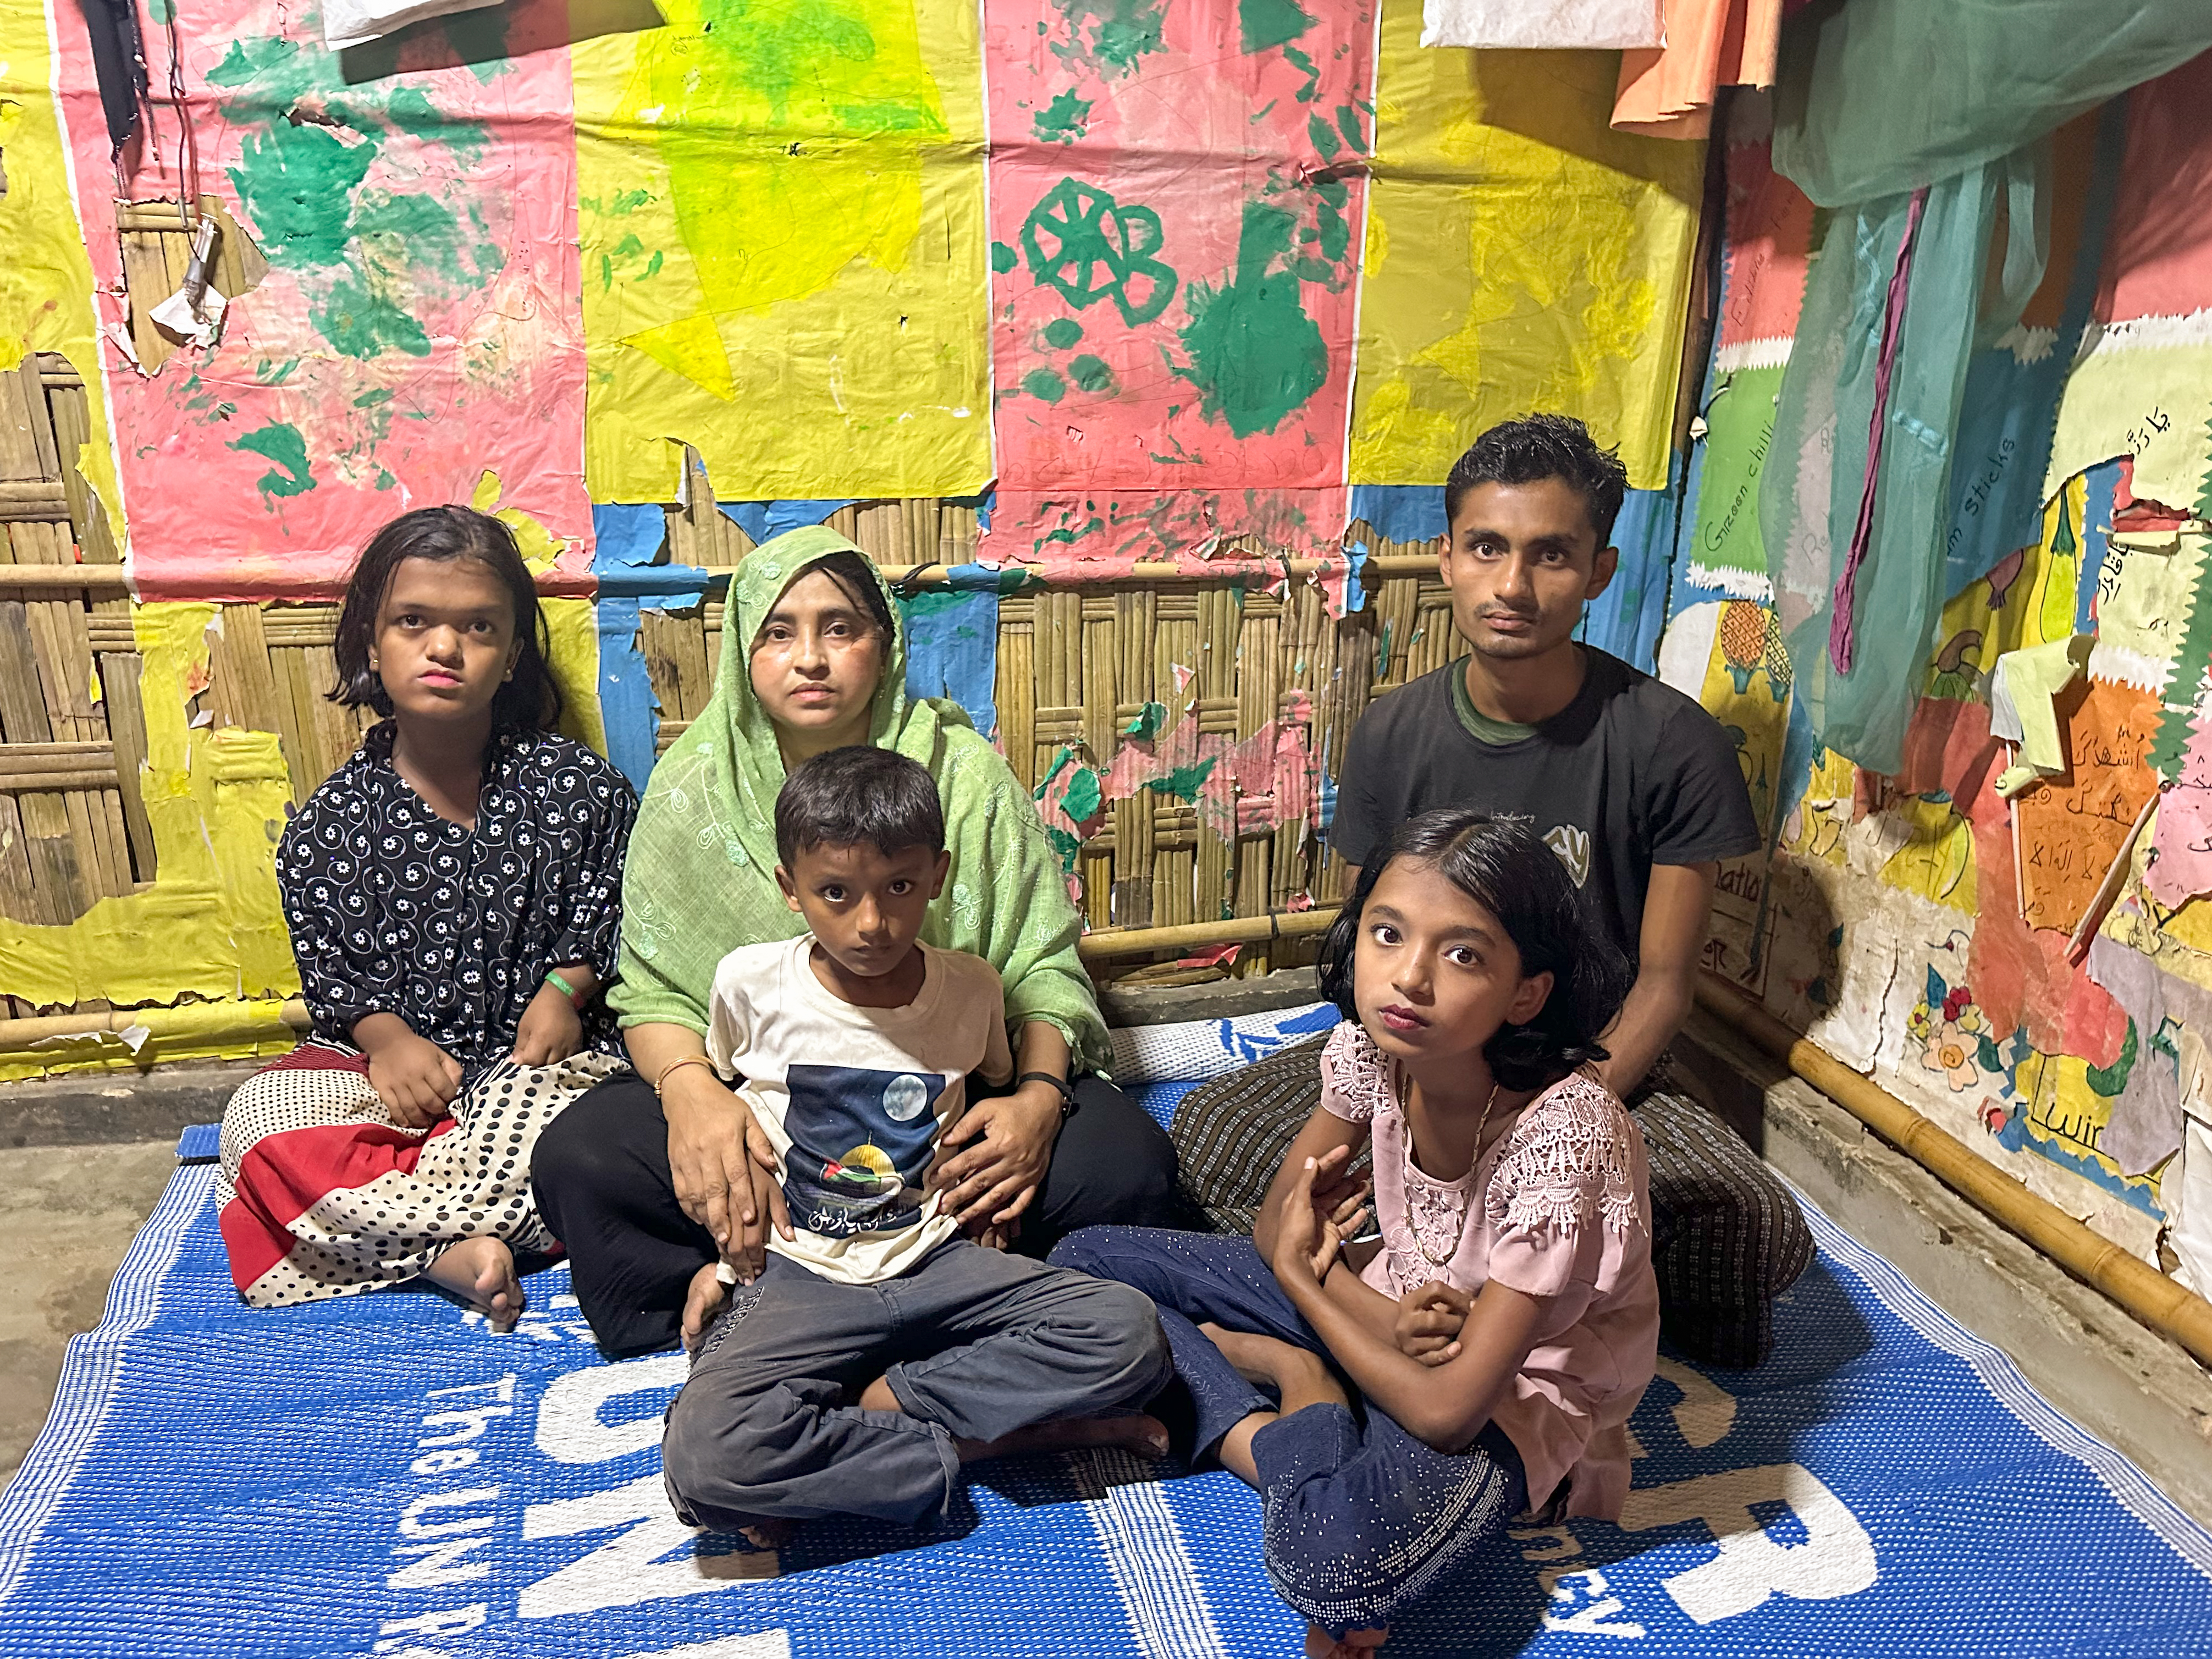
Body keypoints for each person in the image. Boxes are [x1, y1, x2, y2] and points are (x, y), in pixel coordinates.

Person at [1173, 415, 1810, 1368]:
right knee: (1209, 1129)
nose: (1513, 585)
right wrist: (1403, 1104)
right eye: (1488, 548)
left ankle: (1485, 1275)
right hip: (1426, 1060)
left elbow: (1665, 985)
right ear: (1447, 557)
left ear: (1598, 570)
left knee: (1752, 1224)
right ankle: (1472, 1274)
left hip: (1589, 1071)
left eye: (1551, 555)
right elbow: (1372, 952)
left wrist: (1554, 1121)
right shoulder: (1396, 733)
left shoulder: (1672, 743)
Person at [533, 528, 1183, 1359]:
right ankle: (763, 1283)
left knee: (1124, 1162)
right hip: (770, 1115)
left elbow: (1041, 972)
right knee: (582, 1156)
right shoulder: (692, 786)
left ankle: (939, 1286)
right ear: (742, 649)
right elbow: (654, 993)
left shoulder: (962, 775)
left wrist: (1037, 1105)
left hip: (944, 1104)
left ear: (885, 643)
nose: (810, 657)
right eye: (778, 631)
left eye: (840, 627)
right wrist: (694, 1096)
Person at [1053, 811, 1655, 1659]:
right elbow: (1275, 1224)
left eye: (1464, 953)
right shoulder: (1374, 1053)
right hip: (1386, 1306)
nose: (1408, 977)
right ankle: (1319, 1387)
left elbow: (1448, 1410)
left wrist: (1306, 1296)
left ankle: (1294, 1391)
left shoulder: (1566, 1134)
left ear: (1528, 992)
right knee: (1085, 1261)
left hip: (1515, 1390)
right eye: (1387, 932)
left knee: (1335, 1567)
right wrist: (1356, 1306)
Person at [658, 746, 1172, 1542]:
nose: (872, 922)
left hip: (937, 1258)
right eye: (836, 892)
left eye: (899, 887)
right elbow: (727, 1090)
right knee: (705, 1460)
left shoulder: (970, 988)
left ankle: (866, 1419)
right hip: (803, 1270)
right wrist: (725, 1264)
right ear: (789, 890)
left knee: (1128, 1334)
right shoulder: (749, 983)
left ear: (938, 873)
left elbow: (995, 1084)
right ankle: (997, 1439)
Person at [216, 505, 637, 1329]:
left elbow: (614, 912)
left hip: (541, 1073)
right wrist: (387, 1040)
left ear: (513, 654)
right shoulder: (327, 825)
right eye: (414, 622)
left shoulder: (581, 789)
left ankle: (378, 1235)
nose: (445, 647)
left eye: (478, 627)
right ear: (372, 643)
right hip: (389, 1085)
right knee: (255, 1129)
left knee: (585, 1142)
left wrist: (564, 987)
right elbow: (338, 977)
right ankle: (464, 1241)